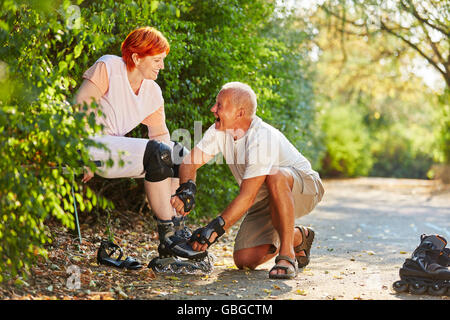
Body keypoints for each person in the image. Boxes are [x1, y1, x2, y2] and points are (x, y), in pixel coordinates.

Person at [75, 27, 204, 266]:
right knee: (158, 151)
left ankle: (177, 230)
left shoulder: (153, 91)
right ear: (136, 57)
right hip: (89, 144)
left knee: (178, 153)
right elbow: (80, 107)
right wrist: (83, 154)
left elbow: (162, 136)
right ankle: (168, 238)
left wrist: (186, 184)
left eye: (162, 60)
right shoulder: (109, 67)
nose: (161, 66)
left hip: (116, 148)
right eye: (156, 60)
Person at [171, 82, 324, 279]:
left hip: (304, 188)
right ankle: (298, 236)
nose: (213, 109)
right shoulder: (219, 130)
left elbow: (247, 197)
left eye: (220, 105)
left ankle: (287, 255)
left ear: (240, 113)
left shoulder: (262, 137)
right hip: (265, 197)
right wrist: (186, 190)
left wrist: (212, 230)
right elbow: (189, 164)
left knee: (275, 175)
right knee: (244, 260)